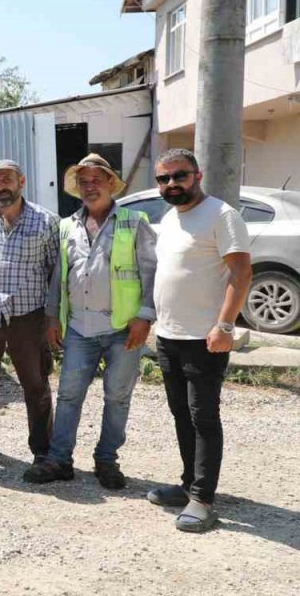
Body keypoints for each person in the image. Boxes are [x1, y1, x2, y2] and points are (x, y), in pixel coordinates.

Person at [32, 154, 157, 488]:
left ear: (110, 184)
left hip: (123, 329)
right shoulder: (67, 225)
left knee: (117, 396)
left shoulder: (134, 221)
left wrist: (145, 317)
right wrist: (52, 317)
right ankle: (59, 460)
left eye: (96, 181)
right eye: (83, 182)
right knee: (69, 395)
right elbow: (59, 276)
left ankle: (106, 461)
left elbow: (152, 273)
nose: (90, 187)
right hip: (79, 327)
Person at [147, 148, 251, 533]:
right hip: (169, 335)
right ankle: (189, 483)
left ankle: (203, 500)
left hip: (205, 339)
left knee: (203, 417)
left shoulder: (222, 216)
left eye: (180, 176)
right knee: (181, 414)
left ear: (198, 175)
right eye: (164, 178)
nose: (172, 184)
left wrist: (224, 327)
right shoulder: (171, 218)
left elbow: (241, 275)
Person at [0, 159, 59, 462]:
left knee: (35, 382)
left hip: (27, 315)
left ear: (22, 181)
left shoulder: (46, 222)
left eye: (6, 179)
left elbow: (55, 272)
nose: (0, 186)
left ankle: (43, 450)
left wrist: (53, 317)